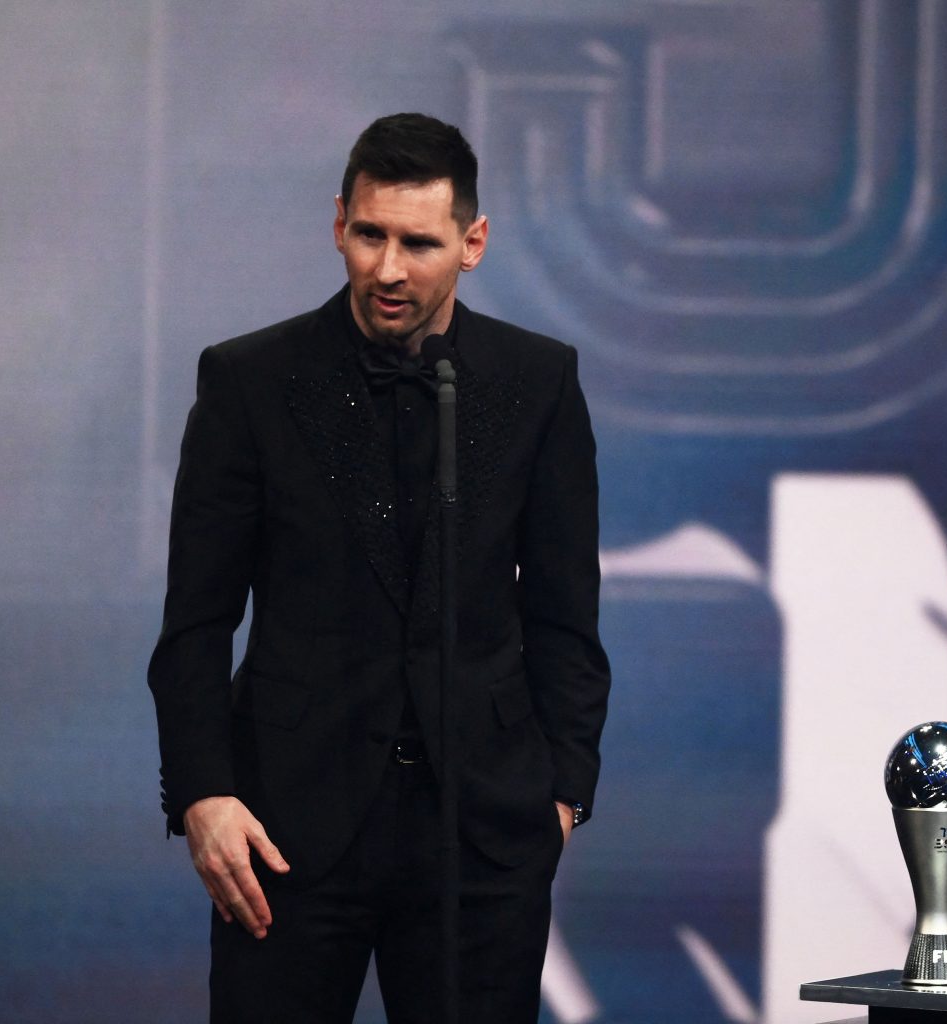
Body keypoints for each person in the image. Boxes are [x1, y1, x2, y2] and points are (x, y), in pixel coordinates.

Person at [148, 112, 610, 1023]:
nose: (388, 269)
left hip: (480, 833)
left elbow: (565, 616)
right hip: (284, 831)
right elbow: (195, 623)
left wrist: (561, 798)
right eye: (369, 235)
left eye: (419, 243)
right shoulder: (250, 380)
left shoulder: (537, 381)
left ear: (473, 242)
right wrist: (204, 794)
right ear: (338, 224)